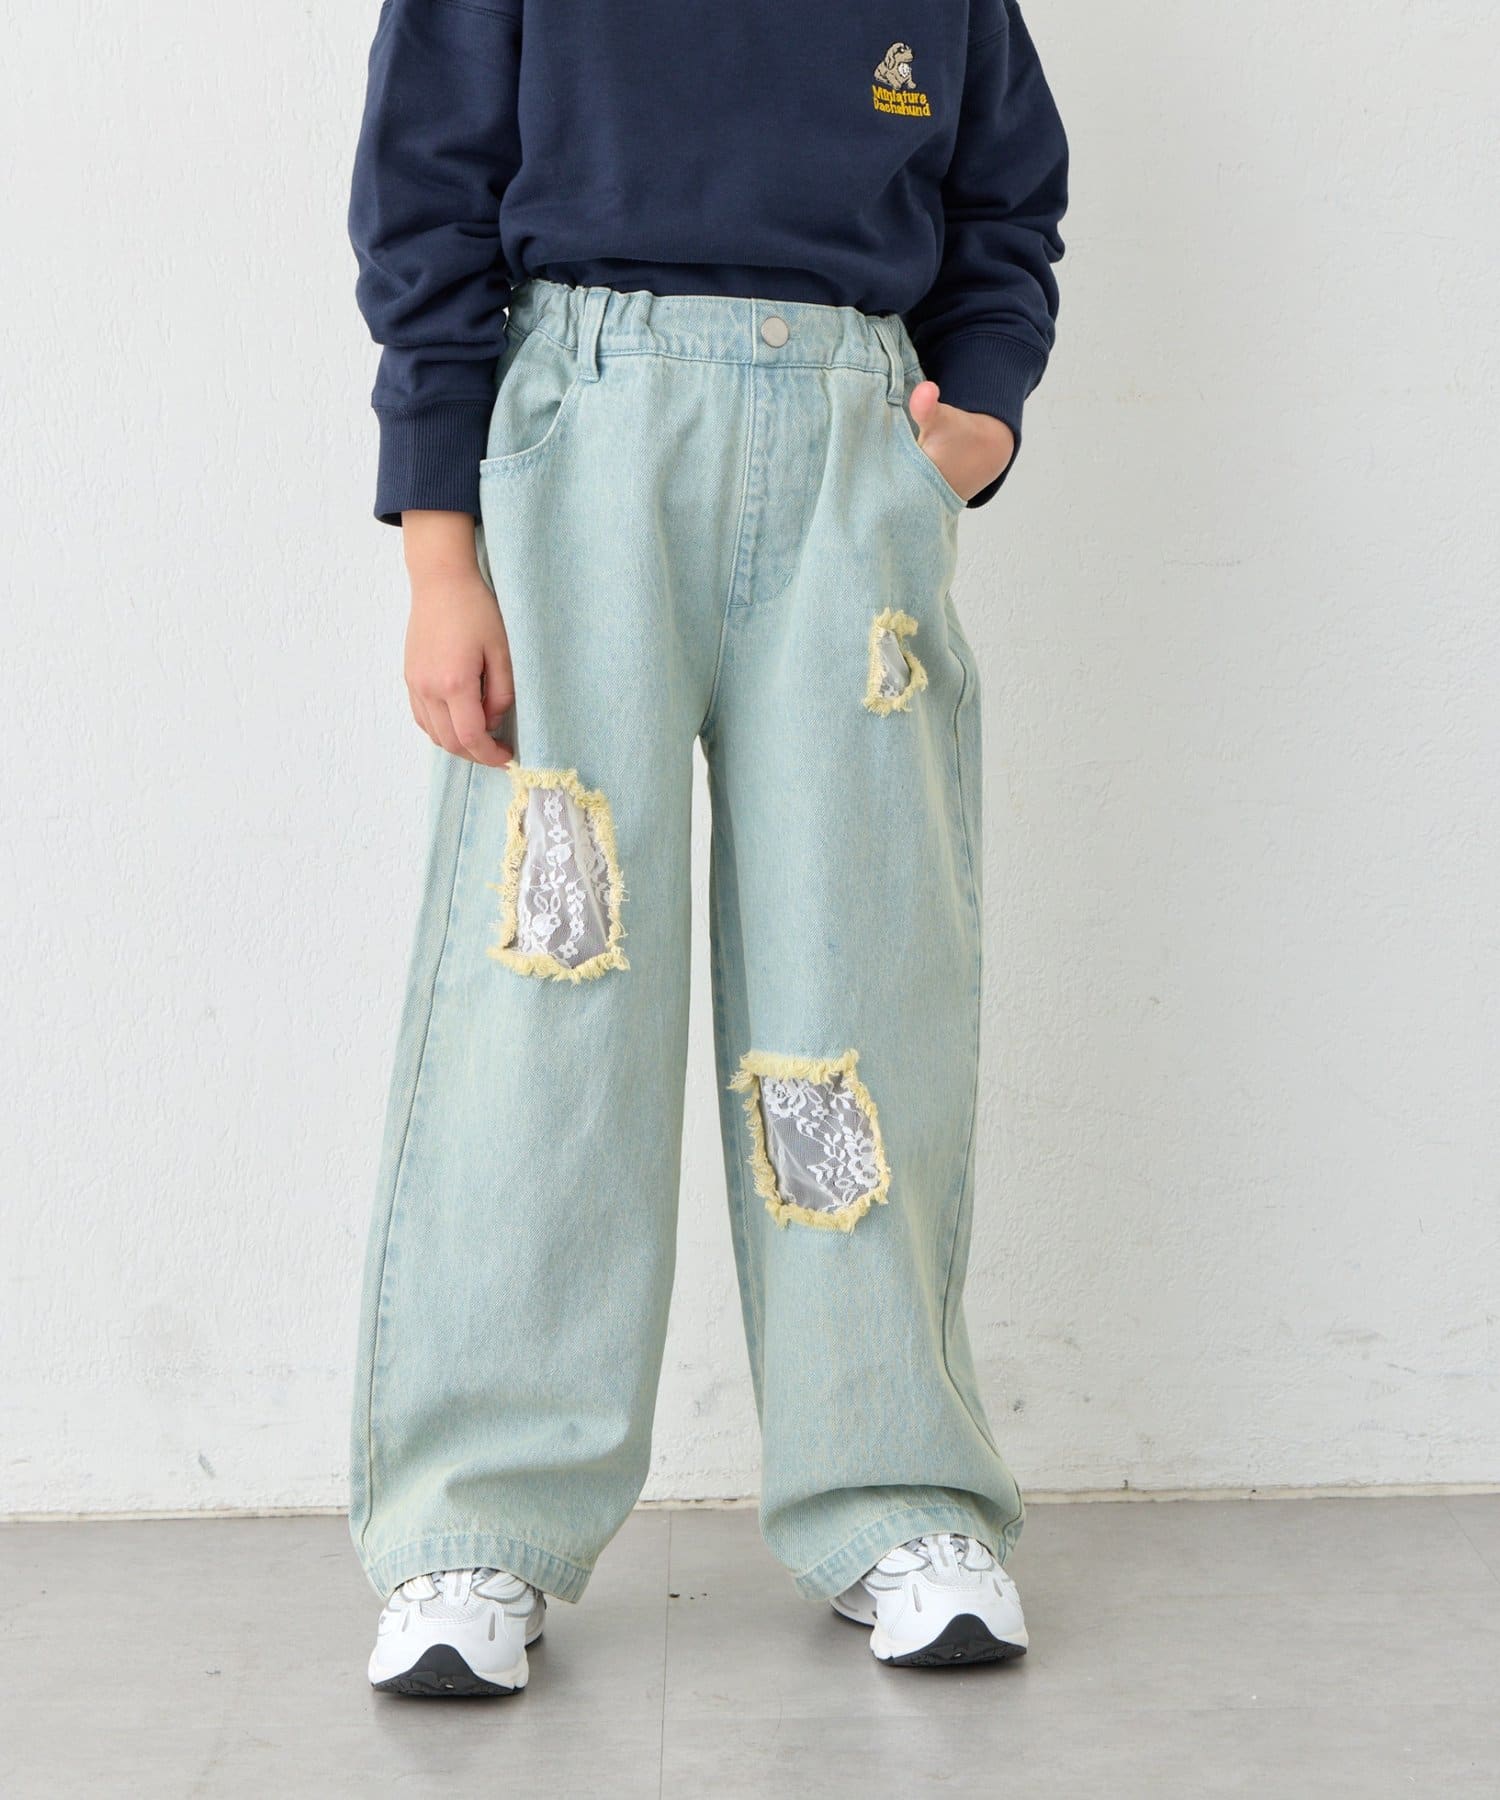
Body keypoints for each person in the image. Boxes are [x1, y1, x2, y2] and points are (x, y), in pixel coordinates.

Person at [347, 0, 1067, 1696]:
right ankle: (475, 1520)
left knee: (858, 976)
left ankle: (894, 1489)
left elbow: (1006, 196)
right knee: (549, 984)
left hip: (853, 449)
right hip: (581, 439)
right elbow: (427, 191)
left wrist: (984, 414)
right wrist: (439, 552)